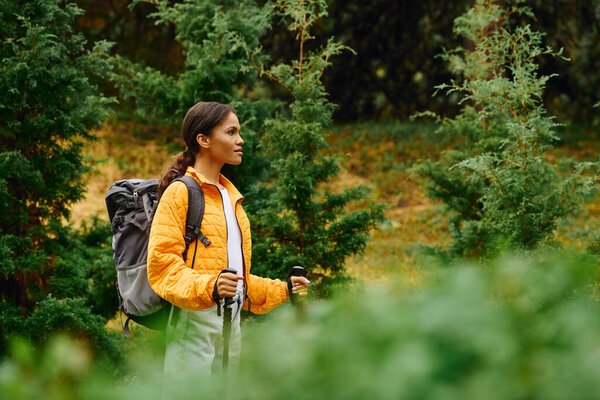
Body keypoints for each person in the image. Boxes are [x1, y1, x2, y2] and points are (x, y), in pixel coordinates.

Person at [147, 101, 310, 380]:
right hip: (193, 324)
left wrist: (284, 290)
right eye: (231, 132)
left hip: (229, 325)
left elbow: (238, 280)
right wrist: (211, 286)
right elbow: (162, 267)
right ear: (204, 140)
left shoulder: (230, 197)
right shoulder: (181, 193)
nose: (240, 140)